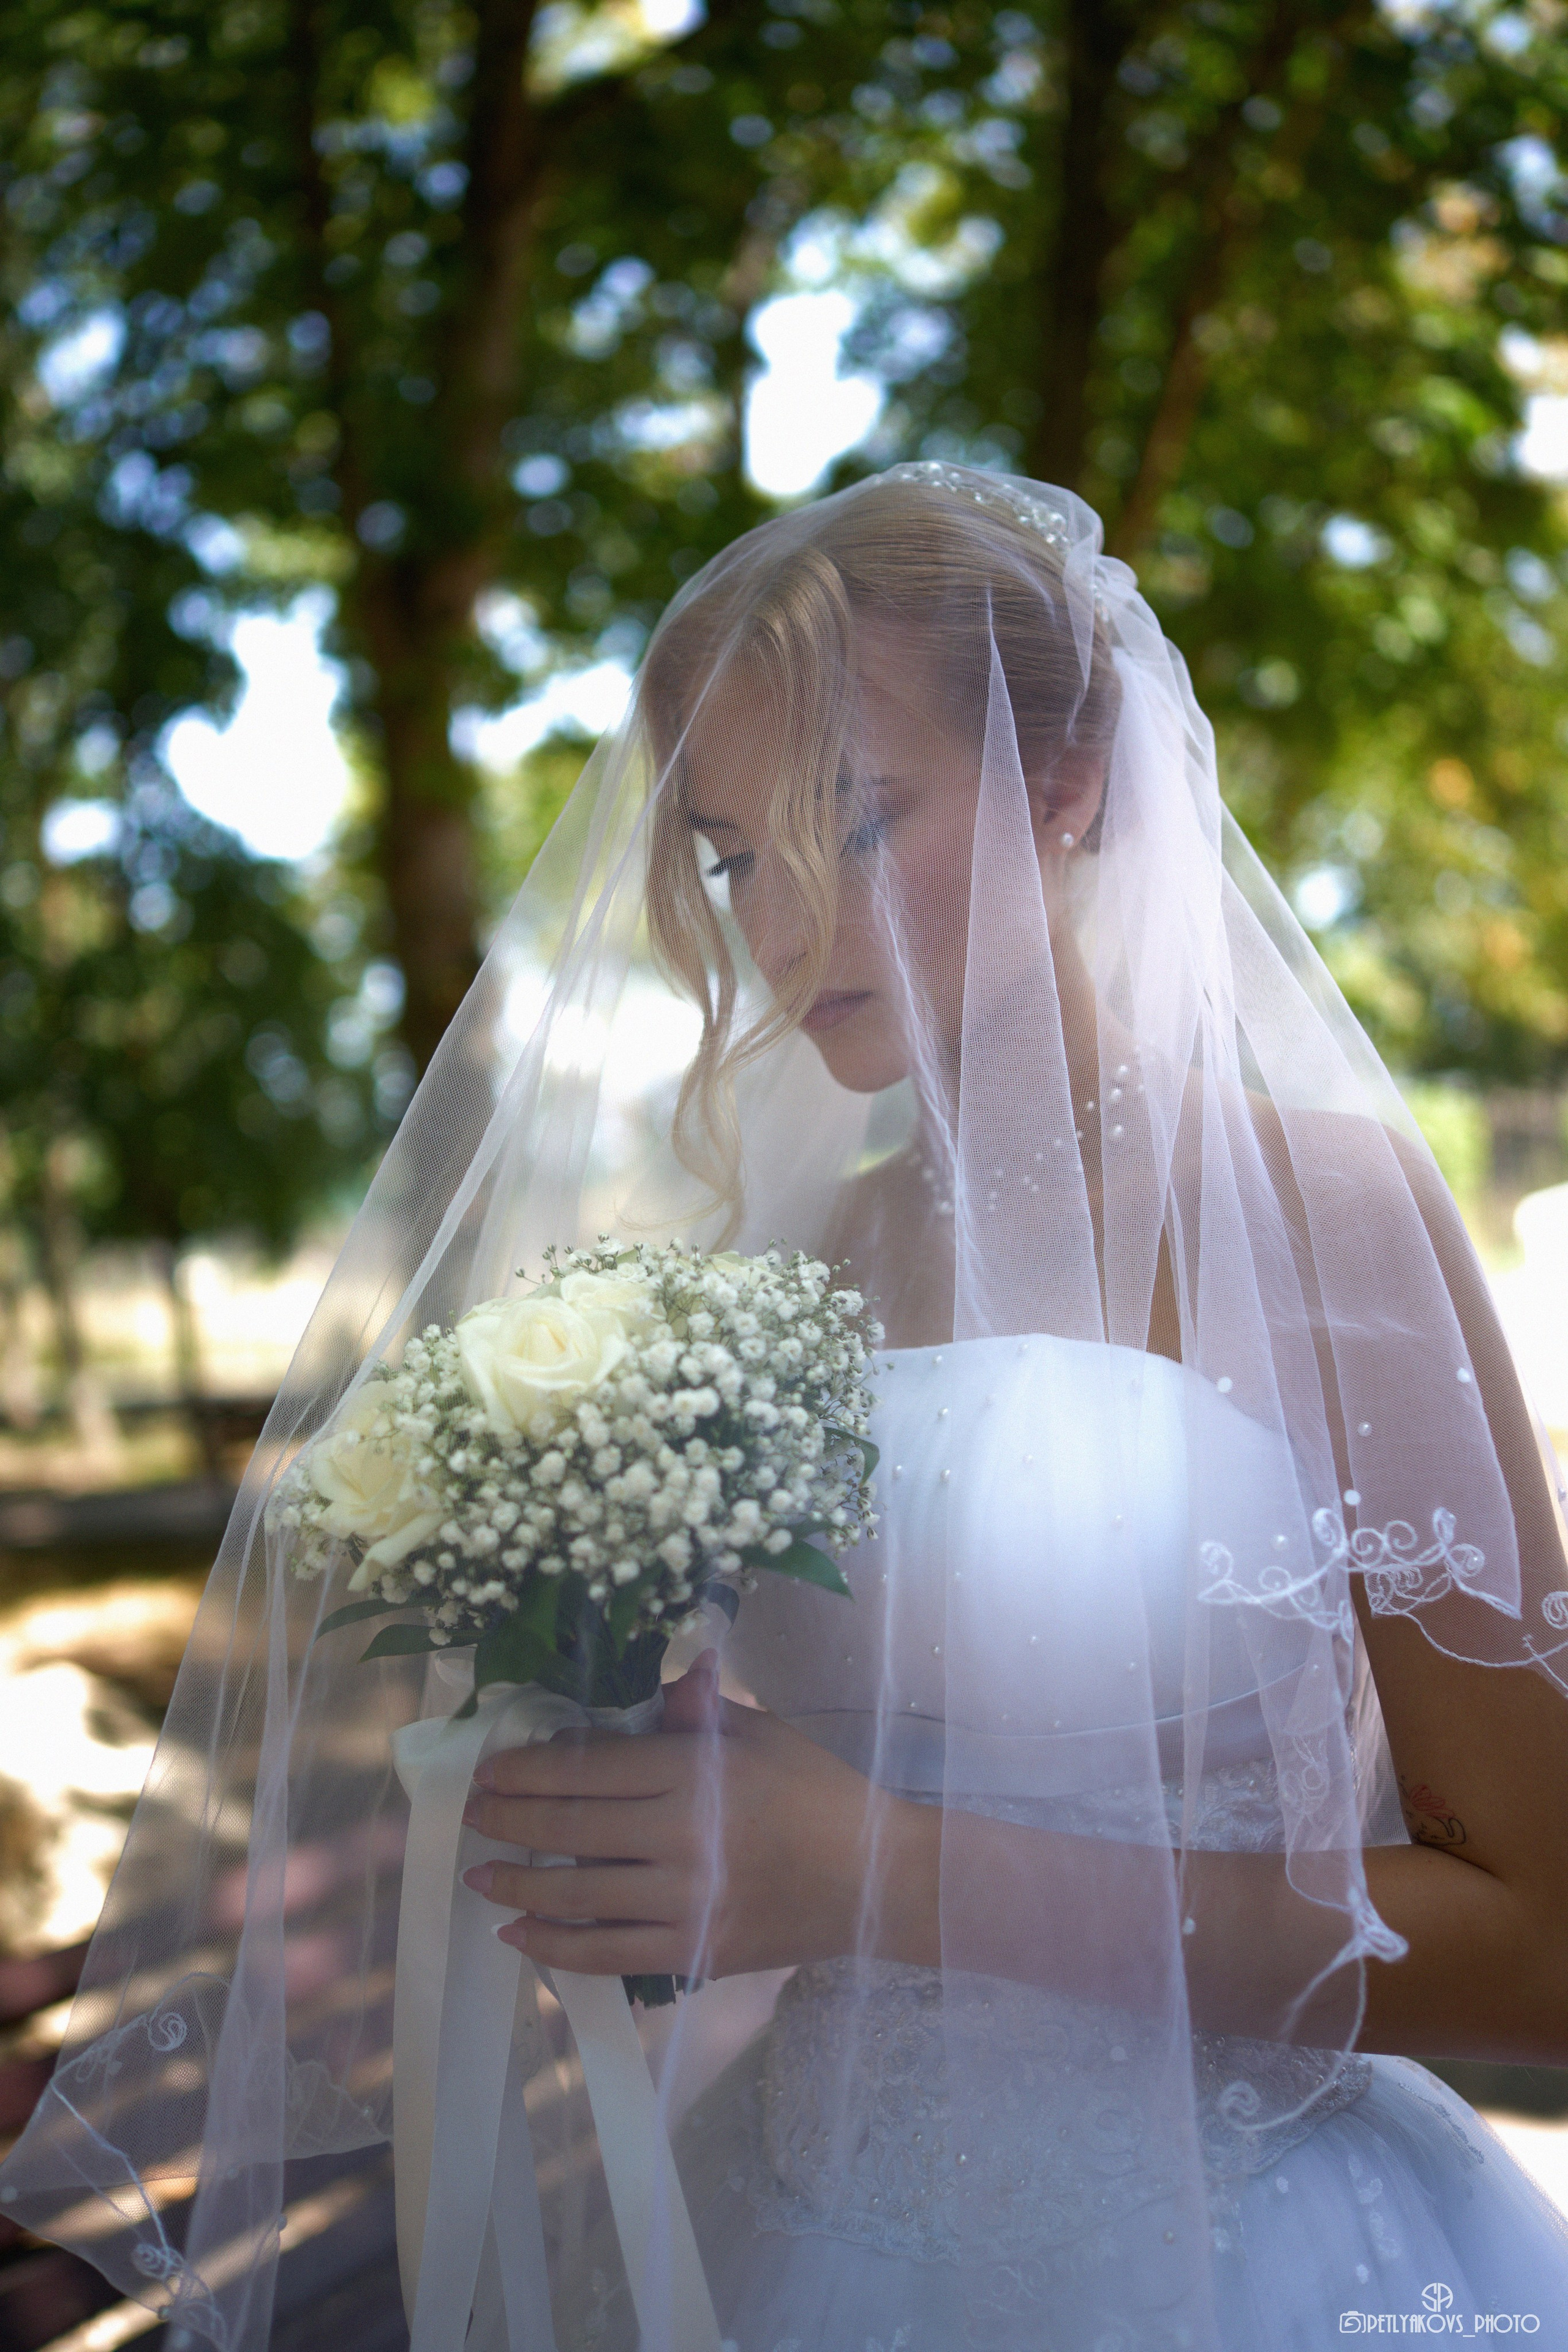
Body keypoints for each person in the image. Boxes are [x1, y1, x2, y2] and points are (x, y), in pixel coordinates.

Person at [5, 462, 1568, 2352]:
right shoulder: (793, 1270)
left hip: (1240, 2262)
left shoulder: (1323, 1212)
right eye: (736, 854)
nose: (779, 914)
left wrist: (876, 1873)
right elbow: (786, 1776)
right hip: (803, 2236)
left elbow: (1544, 1954)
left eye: (855, 815)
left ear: (1069, 785)